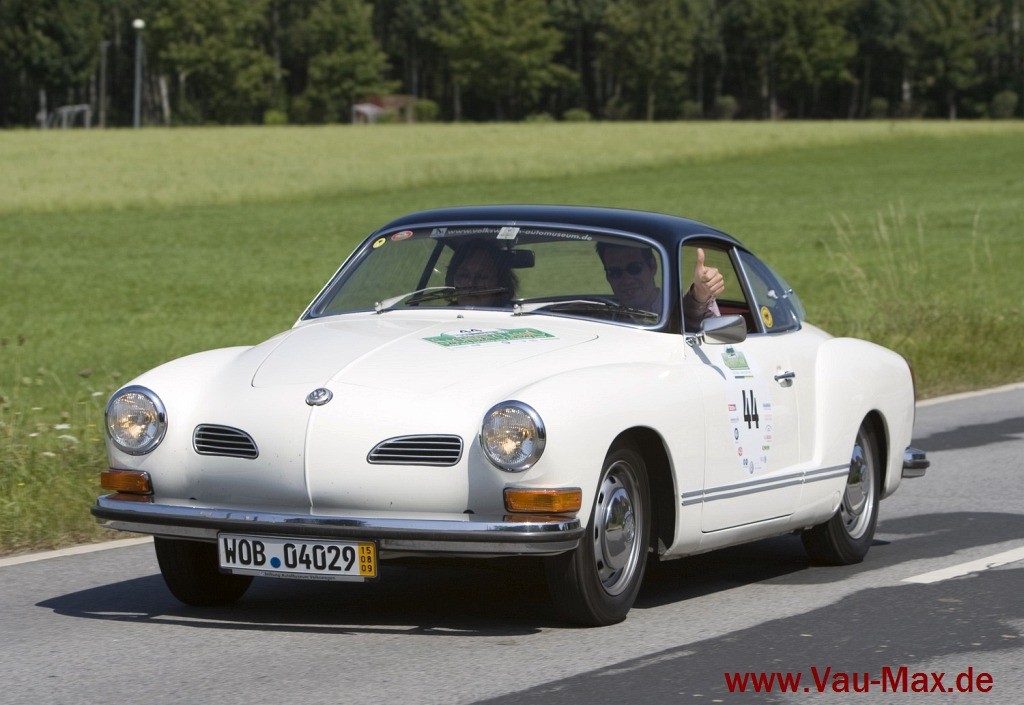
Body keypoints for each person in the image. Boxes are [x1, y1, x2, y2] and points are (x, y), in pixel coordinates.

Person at [597, 242, 723, 328]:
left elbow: (693, 316)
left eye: (634, 268)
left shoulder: (676, 311)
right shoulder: (601, 317)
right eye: (615, 272)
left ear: (652, 266)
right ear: (607, 276)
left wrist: (700, 293)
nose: (626, 280)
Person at [445, 240, 518, 307]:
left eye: (481, 276)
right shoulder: (441, 313)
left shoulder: (511, 315)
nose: (470, 283)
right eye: (463, 275)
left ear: (500, 282)